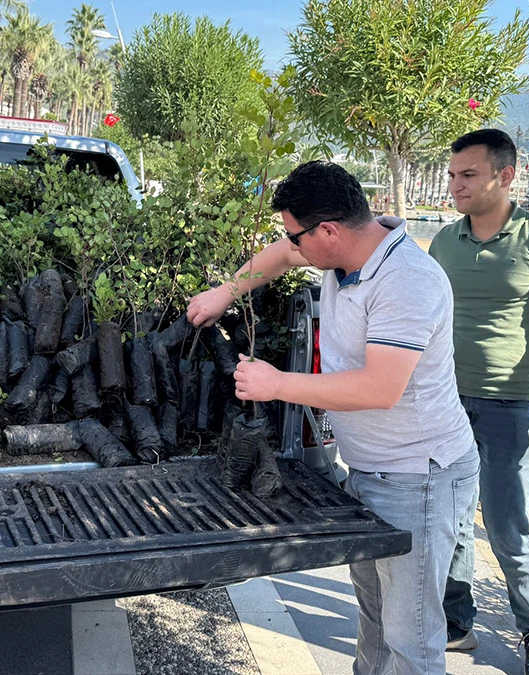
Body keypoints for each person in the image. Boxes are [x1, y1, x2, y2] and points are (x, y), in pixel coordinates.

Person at [188, 161, 479, 674]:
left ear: (328, 231)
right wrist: (225, 292)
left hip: (420, 476)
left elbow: (380, 388)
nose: (290, 245)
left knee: (411, 637)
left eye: (296, 235)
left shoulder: (407, 280)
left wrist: (277, 383)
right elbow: (280, 255)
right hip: (369, 468)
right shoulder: (345, 250)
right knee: (375, 621)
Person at [430, 129, 529, 675]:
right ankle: (456, 624)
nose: (456, 185)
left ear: (505, 175)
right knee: (450, 519)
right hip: (447, 401)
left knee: (508, 526)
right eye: (452, 175)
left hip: (514, 404)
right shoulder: (445, 241)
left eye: (468, 175)